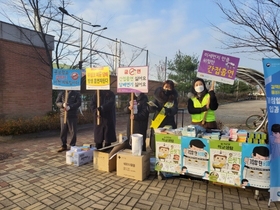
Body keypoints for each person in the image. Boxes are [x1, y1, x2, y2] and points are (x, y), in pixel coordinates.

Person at [148, 80, 178, 152]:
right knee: (155, 140)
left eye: (169, 88)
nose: (167, 89)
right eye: (166, 87)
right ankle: (154, 152)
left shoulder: (173, 99)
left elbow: (175, 109)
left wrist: (169, 111)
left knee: (168, 141)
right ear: (163, 86)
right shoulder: (157, 96)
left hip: (169, 122)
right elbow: (150, 109)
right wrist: (152, 107)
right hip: (158, 121)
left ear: (172, 89)